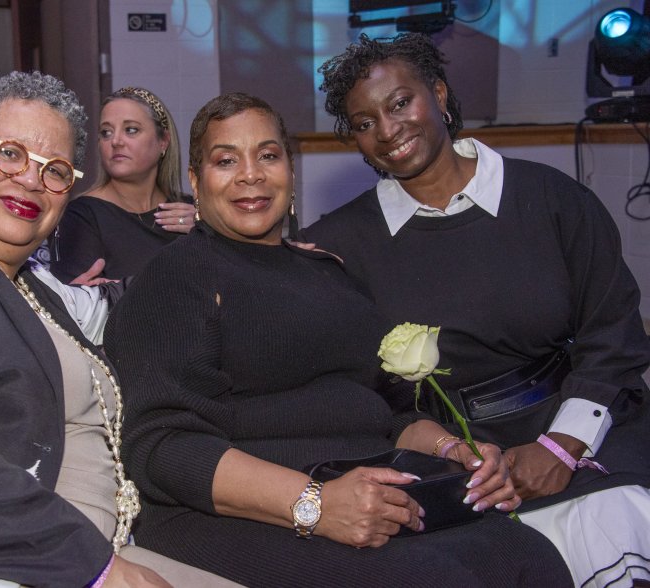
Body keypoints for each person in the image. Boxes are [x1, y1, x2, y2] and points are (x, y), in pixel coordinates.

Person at [107, 92, 573, 587]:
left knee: (525, 555)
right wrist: (314, 504)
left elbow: (387, 411)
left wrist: (451, 449)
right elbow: (160, 446)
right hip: (228, 510)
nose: (251, 175)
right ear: (196, 182)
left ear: (291, 169)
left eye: (268, 155)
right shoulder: (177, 276)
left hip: (364, 481)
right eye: (226, 160)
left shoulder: (327, 274)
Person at [0, 70, 239, 588]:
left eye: (55, 169)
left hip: (108, 543)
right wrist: (93, 569)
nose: (31, 180)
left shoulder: (39, 287)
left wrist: (250, 257)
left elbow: (132, 304)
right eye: (9, 153)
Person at [303, 33, 650, 587]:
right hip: (446, 459)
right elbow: (352, 388)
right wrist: (453, 452)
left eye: (399, 103)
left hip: (573, 424)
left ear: (439, 95)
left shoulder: (553, 199)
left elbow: (613, 336)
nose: (388, 131)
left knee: (610, 522)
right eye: (365, 123)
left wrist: (559, 447)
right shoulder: (337, 245)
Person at [49, 86, 195, 281]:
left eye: (131, 130)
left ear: (163, 142)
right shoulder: (80, 217)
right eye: (106, 132)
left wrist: (213, 232)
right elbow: (80, 303)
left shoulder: (191, 211)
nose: (116, 141)